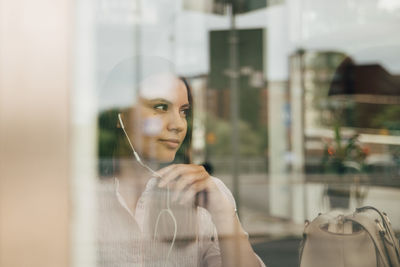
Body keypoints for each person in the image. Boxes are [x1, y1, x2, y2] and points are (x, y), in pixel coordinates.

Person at [97, 57, 265, 267]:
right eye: (160, 107)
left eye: (183, 111)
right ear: (118, 114)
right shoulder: (82, 196)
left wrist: (222, 212)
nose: (178, 124)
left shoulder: (205, 194)